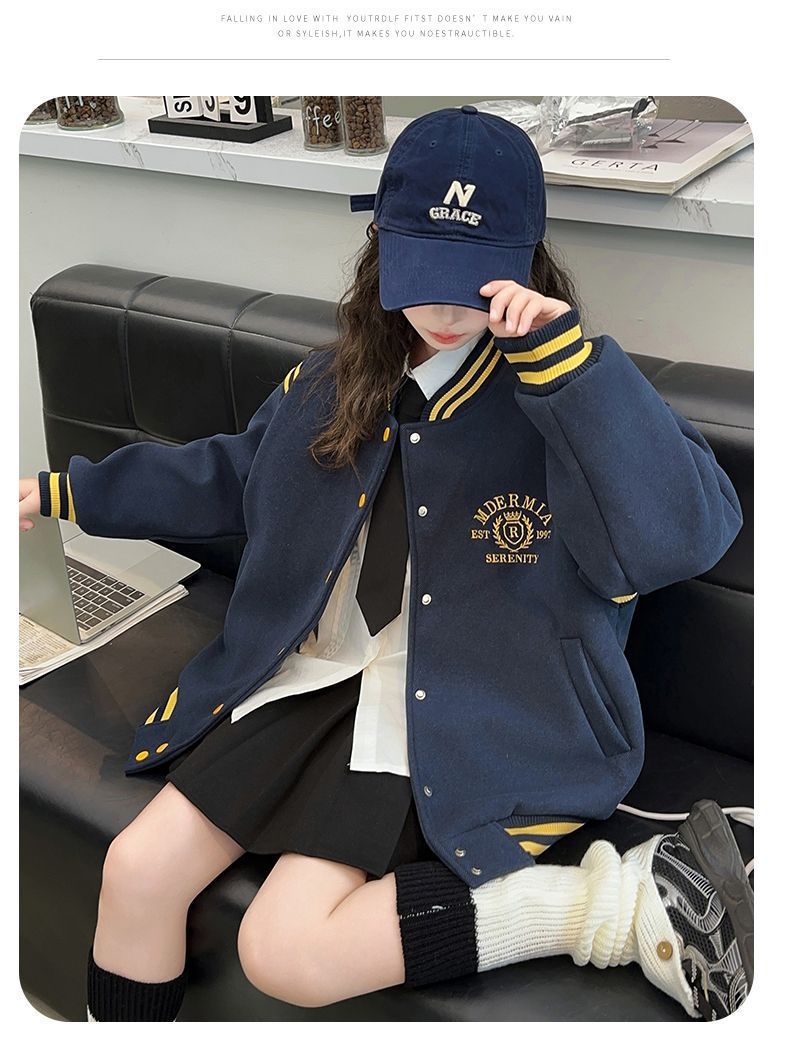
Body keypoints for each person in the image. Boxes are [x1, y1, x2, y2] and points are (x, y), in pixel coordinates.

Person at [18, 105, 752, 1023]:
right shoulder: (332, 383)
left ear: (527, 262)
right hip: (316, 676)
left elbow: (682, 537)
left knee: (286, 949)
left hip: (468, 708)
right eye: (423, 277)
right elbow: (234, 478)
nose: (444, 312)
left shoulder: (569, 394)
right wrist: (66, 492)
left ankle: (607, 905)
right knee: (134, 869)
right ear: (380, 251)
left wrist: (569, 373)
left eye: (474, 282)